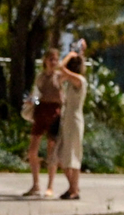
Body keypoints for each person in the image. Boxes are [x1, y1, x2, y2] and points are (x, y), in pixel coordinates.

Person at [24, 45, 69, 198]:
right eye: (51, 59)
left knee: (52, 151)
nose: (53, 62)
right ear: (45, 60)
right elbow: (36, 94)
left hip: (54, 113)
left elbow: (67, 75)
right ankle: (36, 184)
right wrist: (32, 101)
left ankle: (50, 186)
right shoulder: (40, 77)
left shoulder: (59, 76)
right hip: (40, 111)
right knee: (32, 151)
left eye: (55, 59)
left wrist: (62, 65)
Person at [53, 49, 87, 200]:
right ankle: (73, 187)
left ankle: (74, 189)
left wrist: (69, 56)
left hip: (74, 120)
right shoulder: (70, 81)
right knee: (64, 155)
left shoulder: (79, 80)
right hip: (67, 120)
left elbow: (60, 67)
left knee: (71, 155)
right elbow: (58, 78)